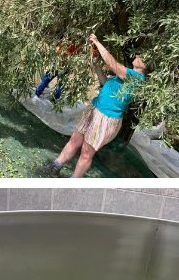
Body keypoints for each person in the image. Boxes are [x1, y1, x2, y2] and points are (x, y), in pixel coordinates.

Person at [43, 34, 149, 177]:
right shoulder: (126, 75)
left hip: (106, 118)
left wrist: (97, 42)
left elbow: (113, 65)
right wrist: (96, 66)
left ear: (146, 64)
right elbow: (106, 84)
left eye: (141, 56)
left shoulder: (137, 78)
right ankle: (55, 166)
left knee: (86, 152)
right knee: (74, 140)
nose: (136, 55)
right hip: (94, 109)